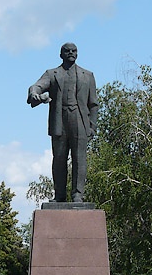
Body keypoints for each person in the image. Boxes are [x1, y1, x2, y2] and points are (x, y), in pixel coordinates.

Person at [27, 42, 99, 203]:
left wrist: (92, 126)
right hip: (59, 120)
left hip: (80, 120)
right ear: (61, 54)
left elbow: (93, 104)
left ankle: (78, 194)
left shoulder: (87, 75)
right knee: (59, 158)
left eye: (74, 51)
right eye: (67, 51)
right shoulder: (52, 74)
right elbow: (37, 86)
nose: (71, 53)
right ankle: (59, 195)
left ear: (78, 53)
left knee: (79, 158)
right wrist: (35, 93)